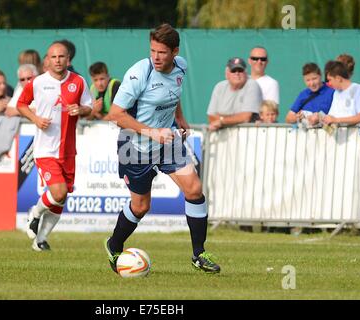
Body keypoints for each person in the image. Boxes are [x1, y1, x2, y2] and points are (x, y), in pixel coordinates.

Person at [104, 23, 221, 274]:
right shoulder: (139, 73)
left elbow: (173, 93)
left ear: (175, 52)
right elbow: (115, 114)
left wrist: (179, 117)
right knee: (141, 207)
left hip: (167, 141)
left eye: (162, 52)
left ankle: (199, 254)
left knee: (194, 189)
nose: (156, 57)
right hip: (134, 146)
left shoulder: (182, 66)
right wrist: (151, 132)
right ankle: (114, 244)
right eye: (153, 51)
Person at [17, 41, 92, 251]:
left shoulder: (78, 81)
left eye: (62, 57)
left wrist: (81, 110)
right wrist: (35, 119)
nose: (58, 60)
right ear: (47, 61)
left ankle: (40, 240)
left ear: (68, 60)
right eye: (53, 57)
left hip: (68, 150)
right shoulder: (38, 82)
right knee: (57, 193)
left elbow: (90, 107)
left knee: (61, 199)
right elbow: (21, 104)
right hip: (45, 150)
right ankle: (35, 213)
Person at [207, 57, 262, 131]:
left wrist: (221, 120)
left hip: (247, 136)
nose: (237, 73)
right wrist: (234, 118)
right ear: (227, 74)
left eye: (240, 70)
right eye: (233, 70)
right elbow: (211, 116)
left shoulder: (252, 84)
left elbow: (245, 117)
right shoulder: (219, 87)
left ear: (246, 73)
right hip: (222, 137)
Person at [323, 61, 360, 126]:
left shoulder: (358, 89)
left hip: (356, 135)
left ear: (338, 78)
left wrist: (336, 120)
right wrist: (320, 118)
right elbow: (331, 117)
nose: (329, 83)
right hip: (339, 135)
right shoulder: (336, 93)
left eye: (330, 80)